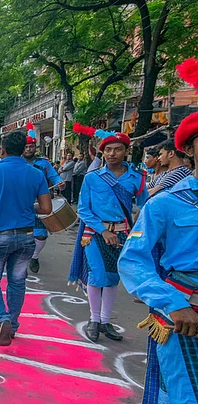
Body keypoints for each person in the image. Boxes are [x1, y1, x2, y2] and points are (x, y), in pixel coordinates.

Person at [118, 111, 198, 404]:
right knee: (186, 400)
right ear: (190, 149)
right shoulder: (167, 202)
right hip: (185, 314)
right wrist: (173, 302)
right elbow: (134, 261)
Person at [0, 130, 52, 346]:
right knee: (17, 282)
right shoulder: (36, 174)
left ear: (2, 150)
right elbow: (46, 208)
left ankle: (2, 317)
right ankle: (12, 325)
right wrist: (26, 206)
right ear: (24, 149)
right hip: (26, 236)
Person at [68, 131, 148, 342]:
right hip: (95, 233)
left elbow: (145, 207)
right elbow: (83, 209)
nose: (112, 154)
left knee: (112, 278)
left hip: (122, 234)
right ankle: (94, 319)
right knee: (97, 276)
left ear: (126, 151)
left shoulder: (137, 178)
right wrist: (103, 231)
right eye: (108, 150)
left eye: (118, 149)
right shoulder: (92, 178)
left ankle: (105, 321)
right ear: (102, 153)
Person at [24, 131, 63, 274]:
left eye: (31, 146)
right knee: (22, 234)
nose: (28, 149)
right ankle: (22, 261)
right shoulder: (17, 162)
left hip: (41, 203)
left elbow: (54, 176)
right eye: (26, 147)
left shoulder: (43, 163)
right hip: (21, 203)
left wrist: (60, 182)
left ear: (35, 147)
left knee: (41, 234)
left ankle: (34, 257)